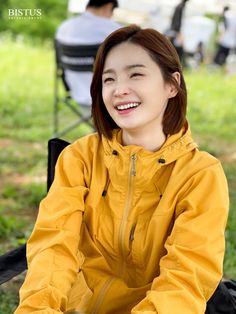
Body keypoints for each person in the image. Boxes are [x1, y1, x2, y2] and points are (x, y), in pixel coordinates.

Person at [15, 25, 229, 314]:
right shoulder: (79, 157)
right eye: (109, 79)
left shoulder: (201, 174)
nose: (119, 89)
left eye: (136, 74)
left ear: (172, 85)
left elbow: (185, 277)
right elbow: (53, 246)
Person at [55, 0, 120, 109]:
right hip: (107, 97)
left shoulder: (64, 27)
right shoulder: (113, 29)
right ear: (109, 6)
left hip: (75, 93)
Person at [167, 0, 189, 65]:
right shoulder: (180, 7)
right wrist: (178, 32)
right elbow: (177, 21)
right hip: (175, 32)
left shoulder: (179, 6)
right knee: (176, 50)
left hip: (174, 31)